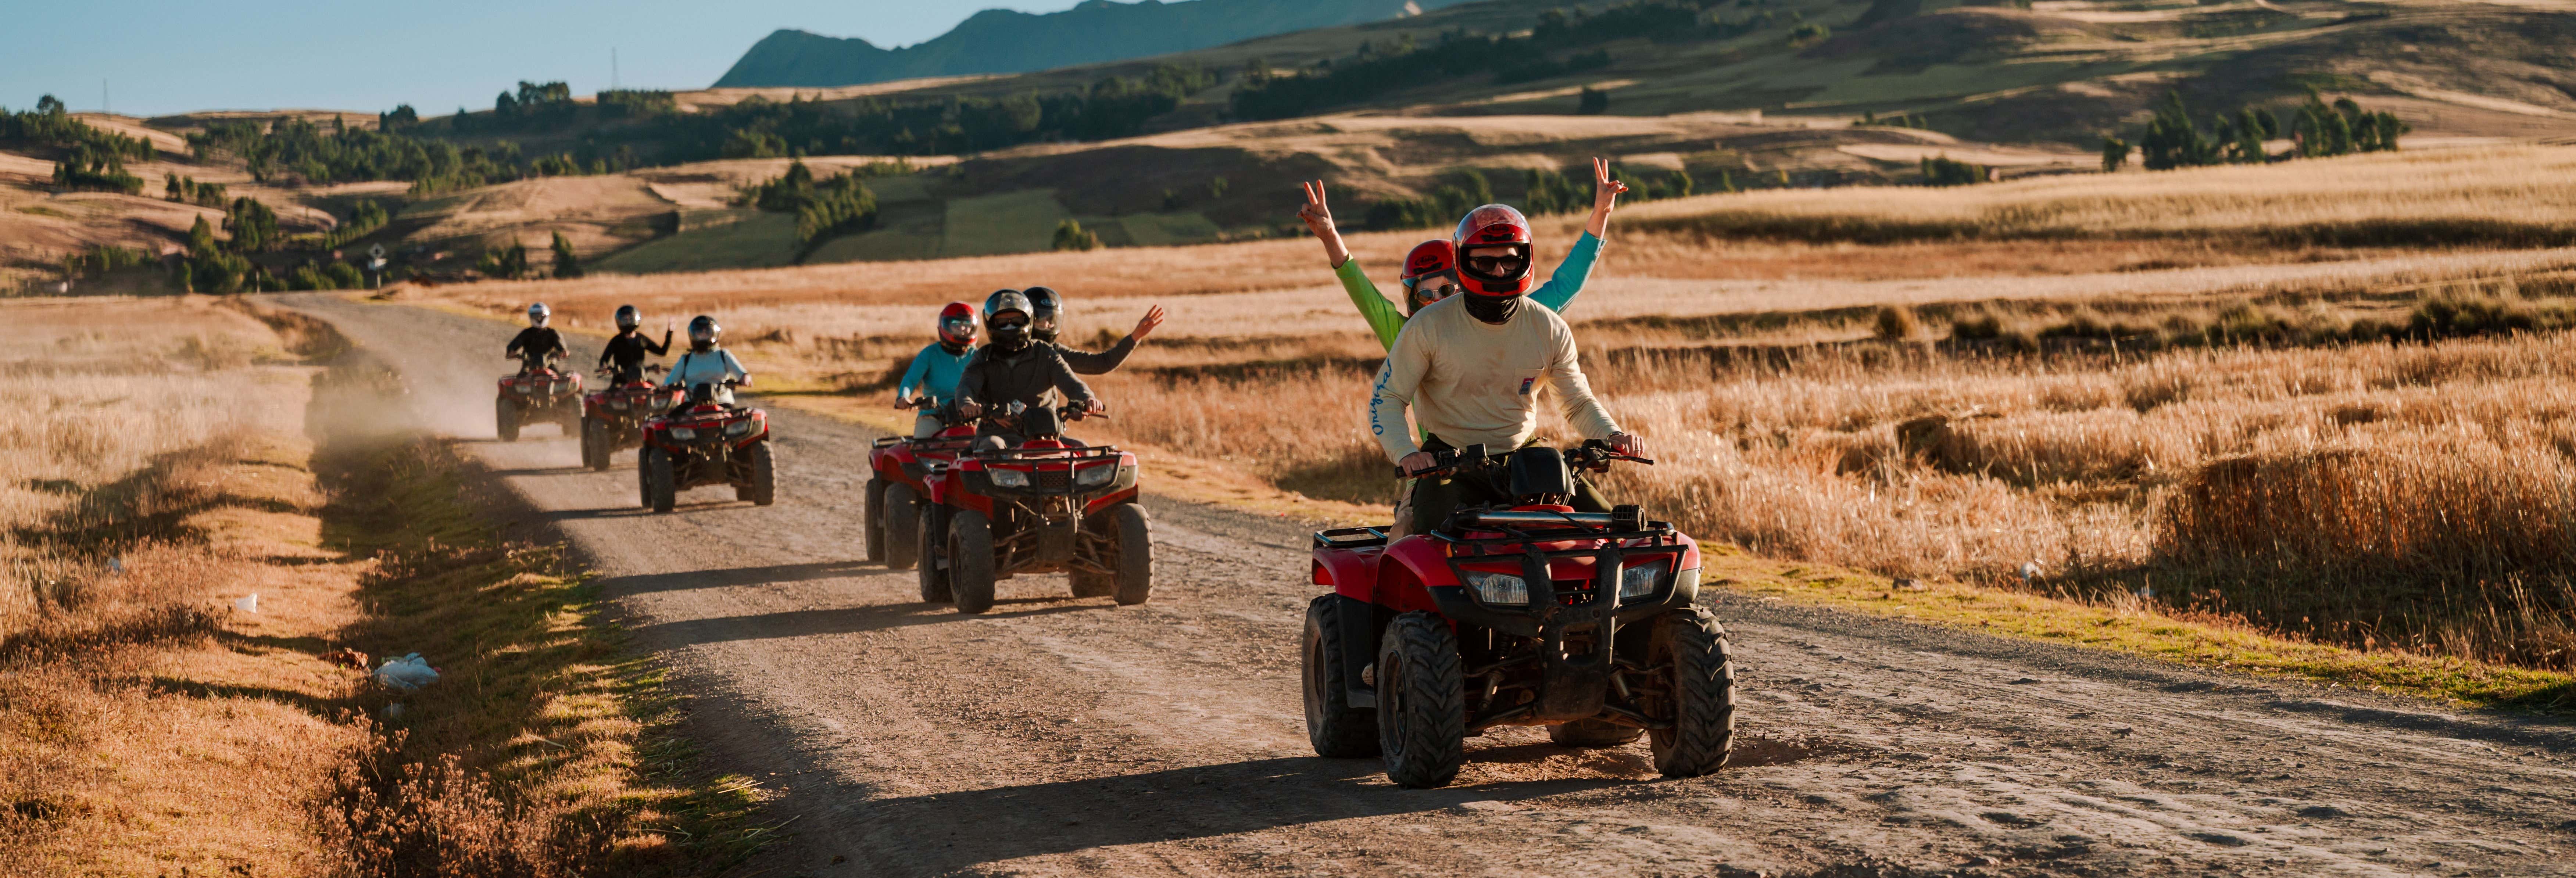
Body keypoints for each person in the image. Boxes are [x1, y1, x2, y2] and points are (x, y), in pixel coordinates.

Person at [1369, 203, 1645, 536]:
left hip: (1526, 457)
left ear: (1525, 259)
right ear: (1464, 261)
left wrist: (1612, 435)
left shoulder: (1549, 328)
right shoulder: (1427, 326)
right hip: (1449, 463)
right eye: (1486, 262)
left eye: (1509, 260)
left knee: (1611, 528)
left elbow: (1577, 402)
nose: (1499, 271)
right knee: (1431, 537)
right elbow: (1388, 396)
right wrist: (1407, 453)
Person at [1298, 157, 1629, 351]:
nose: (1434, 301)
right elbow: (1364, 295)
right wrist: (1330, 236)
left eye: (1444, 290)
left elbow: (1564, 286)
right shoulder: (1408, 338)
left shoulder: (1514, 315)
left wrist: (1601, 214)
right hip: (1440, 468)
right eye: (1424, 294)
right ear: (1410, 299)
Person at [954, 290, 1099, 451]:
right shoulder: (984, 357)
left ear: (1029, 320)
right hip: (998, 436)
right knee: (993, 449)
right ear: (990, 324)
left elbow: (1072, 383)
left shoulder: (1045, 353)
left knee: (1083, 450)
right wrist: (967, 405)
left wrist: (1087, 398)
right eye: (1002, 322)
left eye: (1016, 320)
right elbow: (966, 386)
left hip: (1046, 436)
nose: (1010, 326)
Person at [1020, 286, 1166, 375]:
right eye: (1042, 320)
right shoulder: (1005, 351)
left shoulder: (1055, 353)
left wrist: (1135, 337)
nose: (1048, 325)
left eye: (1052, 320)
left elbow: (1102, 363)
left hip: (1045, 422)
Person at [895, 302, 980, 437]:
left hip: (971, 415)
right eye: (956, 325)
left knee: (987, 445)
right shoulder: (930, 354)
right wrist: (903, 397)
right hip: (933, 415)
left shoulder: (977, 356)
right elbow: (910, 379)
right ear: (945, 326)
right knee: (923, 442)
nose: (963, 329)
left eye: (967, 325)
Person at [662, 315, 752, 407]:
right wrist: (665, 387)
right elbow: (670, 381)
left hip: (723, 403)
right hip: (693, 405)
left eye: (707, 332)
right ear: (693, 334)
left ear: (714, 333)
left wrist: (745, 378)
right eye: (700, 332)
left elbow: (742, 373)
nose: (703, 335)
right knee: (672, 419)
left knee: (741, 419)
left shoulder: (723, 355)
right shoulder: (686, 359)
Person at [597, 305, 674, 386]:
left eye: (630, 319)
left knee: (655, 390)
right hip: (620, 381)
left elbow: (662, 352)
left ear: (635, 319)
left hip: (641, 379)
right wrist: (605, 368)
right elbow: (604, 360)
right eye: (625, 319)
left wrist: (670, 334)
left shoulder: (642, 339)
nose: (628, 321)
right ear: (620, 321)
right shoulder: (616, 341)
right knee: (611, 396)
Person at [504, 302, 567, 373]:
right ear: (531, 317)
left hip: (549, 364)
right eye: (536, 316)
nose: (539, 318)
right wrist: (511, 352)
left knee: (558, 379)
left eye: (542, 316)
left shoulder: (553, 333)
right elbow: (513, 346)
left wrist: (564, 352)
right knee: (521, 380)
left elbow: (561, 347)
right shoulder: (526, 333)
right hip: (529, 366)